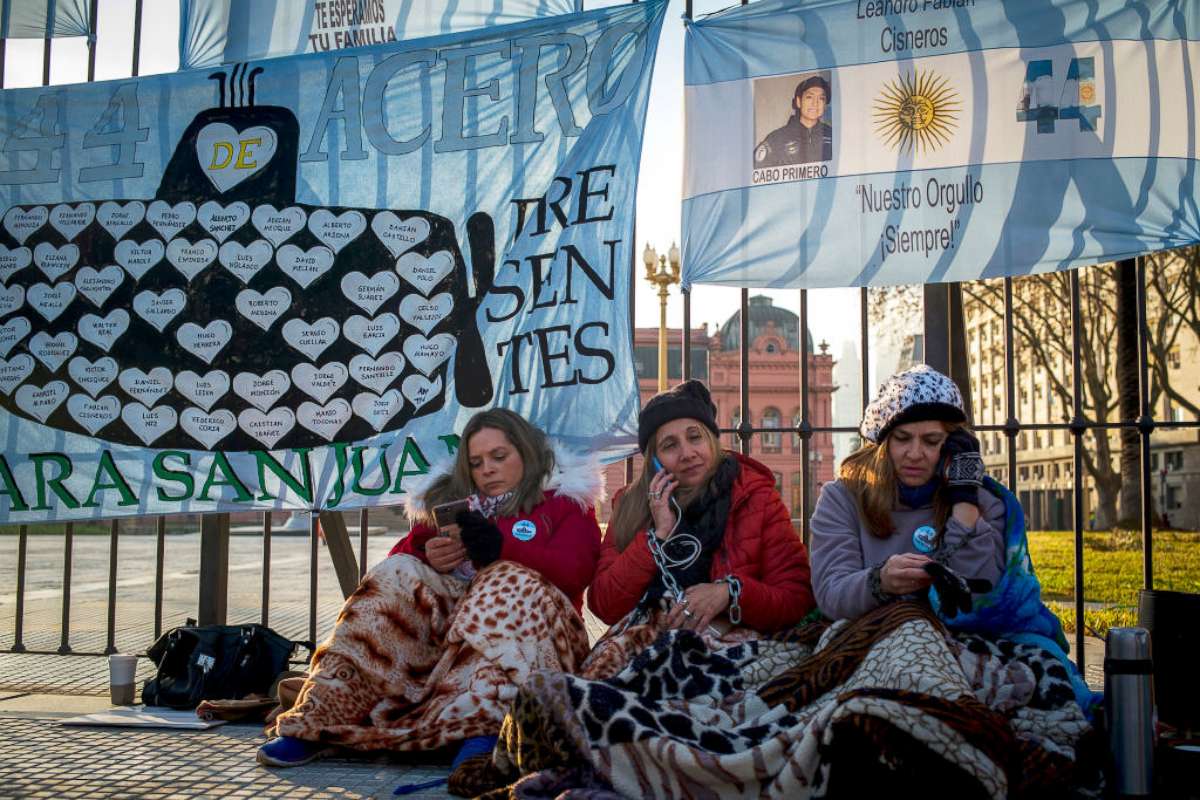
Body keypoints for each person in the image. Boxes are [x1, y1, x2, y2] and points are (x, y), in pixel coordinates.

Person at [258, 408, 603, 767]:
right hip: (446, 649)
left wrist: (502, 549)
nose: (487, 468)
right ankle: (321, 717)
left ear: (527, 454)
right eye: (476, 462)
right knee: (398, 571)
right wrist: (428, 555)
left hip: (541, 643)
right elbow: (391, 574)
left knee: (506, 579)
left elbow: (574, 572)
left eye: (499, 456)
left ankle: (482, 731)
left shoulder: (565, 500)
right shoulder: (452, 504)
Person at [584, 380, 815, 677]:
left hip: (728, 655)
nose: (687, 453)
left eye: (695, 438)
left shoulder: (755, 497)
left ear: (711, 441)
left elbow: (796, 598)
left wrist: (730, 593)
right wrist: (657, 533)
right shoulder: (630, 506)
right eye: (670, 446)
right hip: (643, 650)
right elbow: (605, 604)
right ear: (654, 461)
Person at [809, 364, 1003, 621]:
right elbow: (831, 596)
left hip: (963, 642)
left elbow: (983, 599)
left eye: (931, 441)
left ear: (954, 446)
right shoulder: (842, 498)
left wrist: (964, 507)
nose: (914, 454)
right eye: (902, 438)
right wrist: (880, 582)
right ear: (882, 443)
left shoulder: (985, 502)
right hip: (870, 640)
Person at [754, 74, 833, 169]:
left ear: (824, 106)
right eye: (809, 97)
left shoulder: (833, 135)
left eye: (821, 98)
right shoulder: (776, 139)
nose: (815, 103)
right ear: (798, 102)